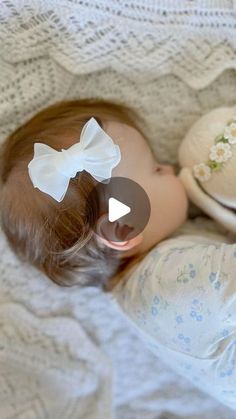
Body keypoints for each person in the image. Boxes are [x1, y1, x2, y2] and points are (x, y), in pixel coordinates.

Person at [0, 99, 235, 411]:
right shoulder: (168, 279)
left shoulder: (138, 293)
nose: (168, 168)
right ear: (123, 228)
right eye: (154, 169)